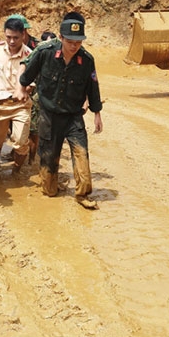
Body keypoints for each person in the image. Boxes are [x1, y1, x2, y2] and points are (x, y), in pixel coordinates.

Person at [17, 16, 103, 210]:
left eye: (78, 42)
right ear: (61, 38)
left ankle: (83, 194)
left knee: (82, 154)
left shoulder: (87, 60)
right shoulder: (45, 53)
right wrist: (21, 88)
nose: (74, 46)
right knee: (49, 163)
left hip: (74, 116)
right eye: (70, 42)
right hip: (49, 115)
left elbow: (93, 87)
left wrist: (97, 114)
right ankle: (49, 185)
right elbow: (28, 72)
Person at [0, 17, 33, 174]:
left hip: (20, 105)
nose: (12, 41)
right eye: (8, 37)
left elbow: (31, 83)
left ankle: (16, 171)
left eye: (16, 37)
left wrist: (22, 90)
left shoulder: (30, 55)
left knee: (21, 142)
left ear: (23, 35)